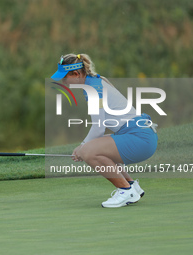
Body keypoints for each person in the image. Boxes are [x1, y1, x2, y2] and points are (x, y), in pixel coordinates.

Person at [51, 53, 158, 208]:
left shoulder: (93, 89)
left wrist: (82, 147)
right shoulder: (96, 81)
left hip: (140, 138)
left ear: (76, 74)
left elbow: (99, 127)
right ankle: (131, 185)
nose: (63, 81)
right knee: (96, 147)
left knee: (89, 151)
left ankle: (125, 190)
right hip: (142, 135)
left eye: (65, 77)